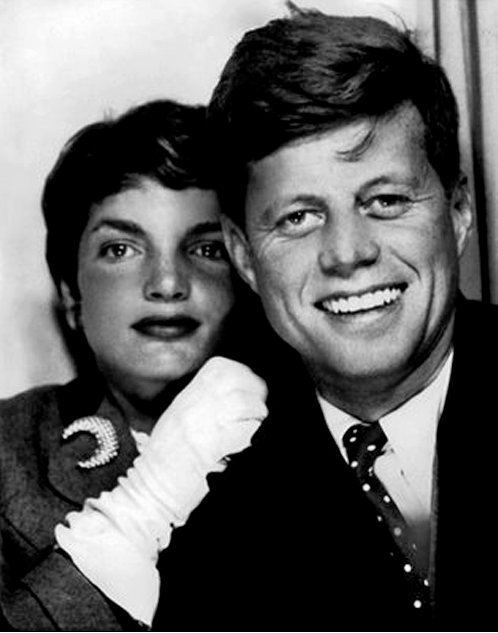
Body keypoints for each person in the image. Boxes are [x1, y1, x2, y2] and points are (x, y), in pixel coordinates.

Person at [157, 5, 495, 631]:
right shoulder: (210, 509)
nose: (346, 252)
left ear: (457, 213)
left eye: (385, 200)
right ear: (244, 257)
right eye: (298, 218)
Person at [0, 99, 267, 630]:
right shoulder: (8, 451)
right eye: (121, 249)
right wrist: (146, 504)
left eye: (207, 249)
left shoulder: (327, 433)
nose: (167, 284)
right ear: (71, 294)